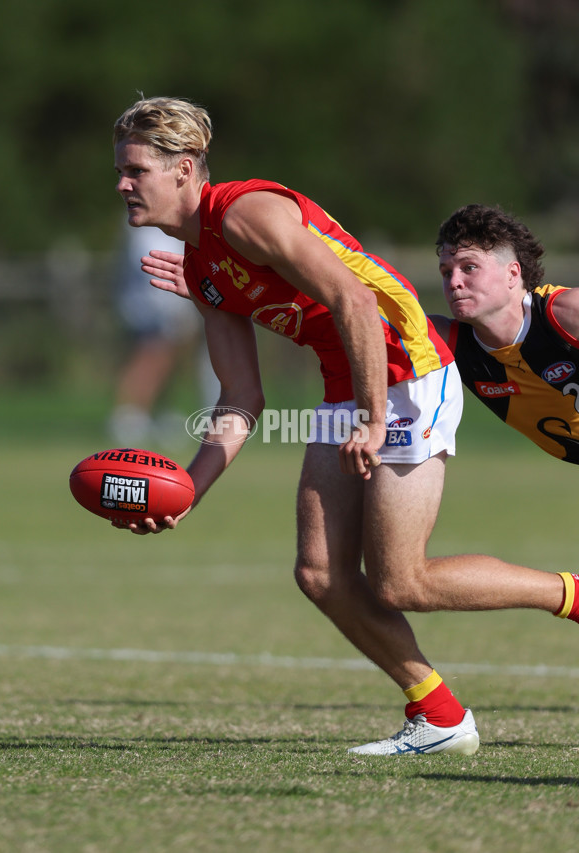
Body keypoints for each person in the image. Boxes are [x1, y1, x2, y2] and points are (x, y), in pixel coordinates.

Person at [112, 96, 578, 757]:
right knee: (321, 572)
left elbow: (355, 300)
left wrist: (371, 414)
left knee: (398, 579)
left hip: (408, 368)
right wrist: (187, 490)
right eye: (122, 170)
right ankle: (440, 715)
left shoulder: (245, 213)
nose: (123, 184)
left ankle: (572, 596)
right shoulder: (199, 267)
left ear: (184, 170)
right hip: (352, 388)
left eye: (136, 171)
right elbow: (241, 398)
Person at [432, 203, 579, 467]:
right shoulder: (448, 343)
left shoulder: (567, 315)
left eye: (469, 267)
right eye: (446, 272)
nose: (454, 282)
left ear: (512, 274)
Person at [108, 222, 218, 448]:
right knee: (149, 360)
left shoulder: (166, 226)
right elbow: (154, 266)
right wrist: (172, 310)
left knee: (167, 363)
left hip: (163, 306)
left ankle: (155, 415)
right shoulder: (146, 230)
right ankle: (129, 418)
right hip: (152, 307)